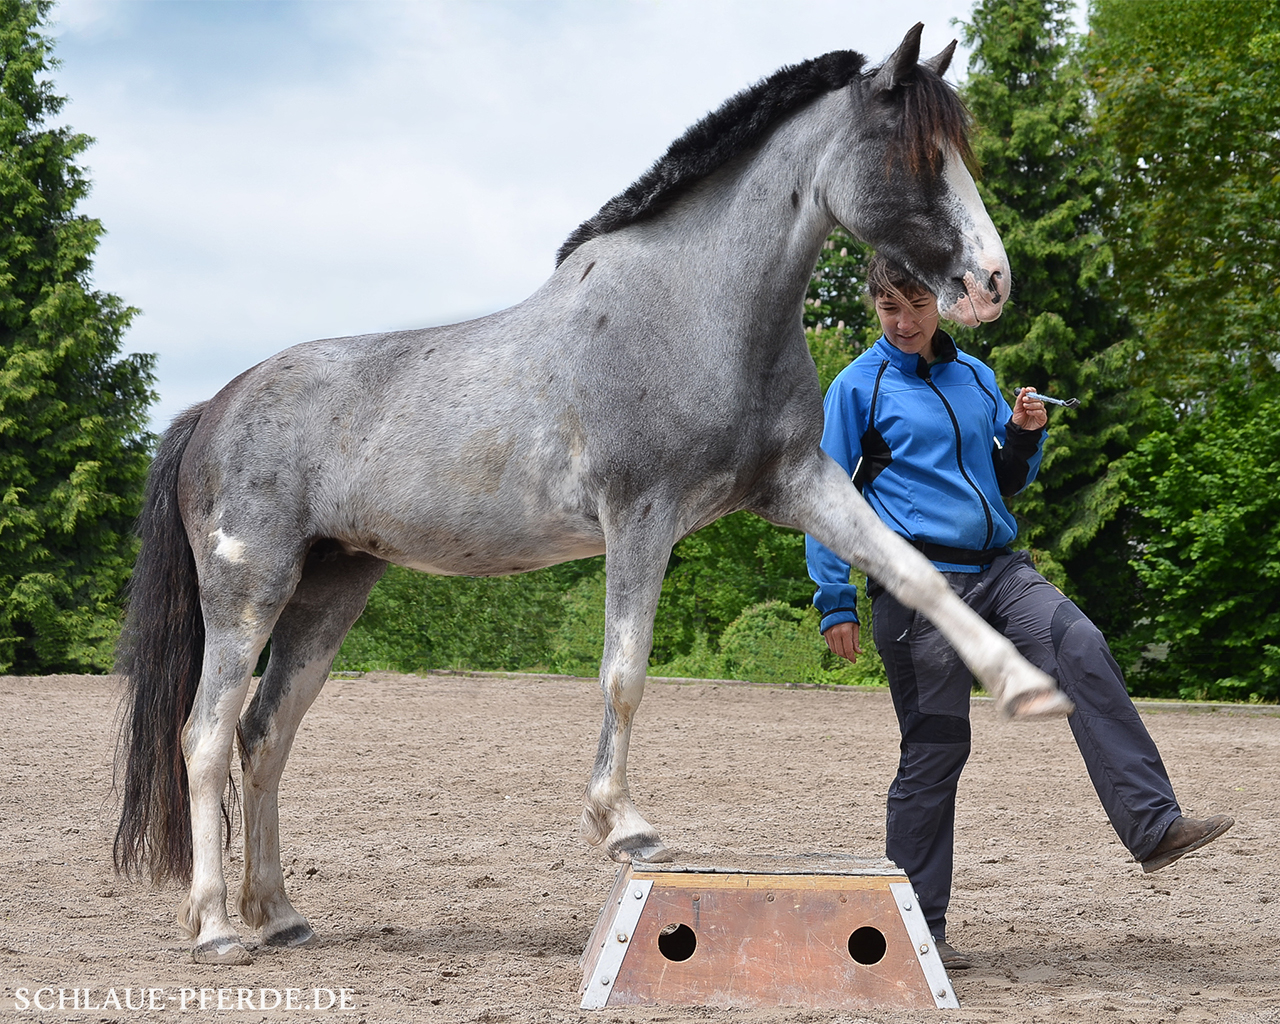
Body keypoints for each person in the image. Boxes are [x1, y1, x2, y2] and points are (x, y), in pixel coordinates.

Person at [805, 253, 1233, 971]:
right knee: (937, 750)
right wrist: (834, 598)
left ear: (941, 300)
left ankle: (1154, 826)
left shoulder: (975, 377)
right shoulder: (858, 387)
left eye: (916, 305)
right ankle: (917, 936)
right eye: (889, 310)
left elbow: (999, 483)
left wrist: (1025, 433)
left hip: (1000, 571)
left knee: (1082, 646)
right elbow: (824, 497)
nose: (904, 322)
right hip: (920, 589)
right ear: (874, 308)